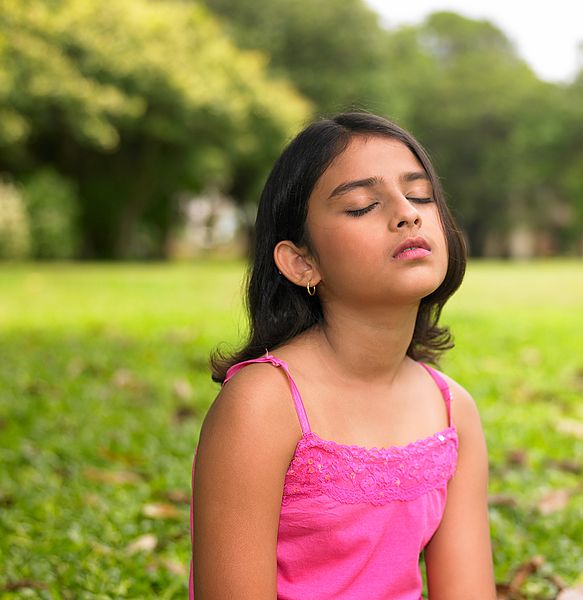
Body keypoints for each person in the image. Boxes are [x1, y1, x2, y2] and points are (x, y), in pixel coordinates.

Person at [188, 112, 496, 599]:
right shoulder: (263, 405)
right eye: (361, 205)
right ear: (301, 261)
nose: (407, 213)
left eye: (419, 195)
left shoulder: (452, 409)